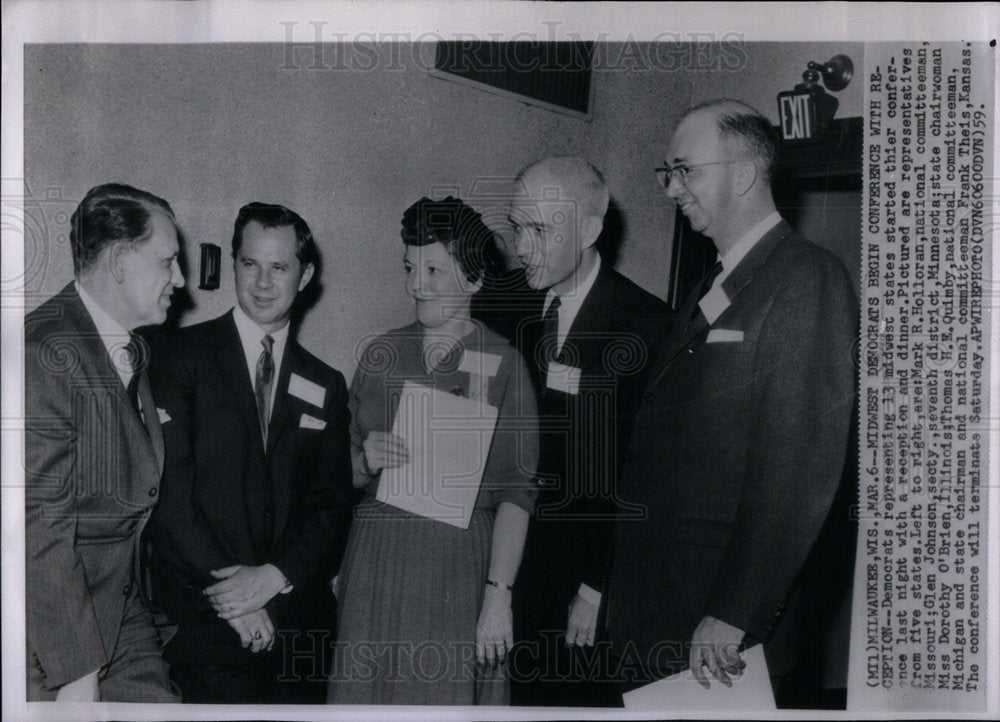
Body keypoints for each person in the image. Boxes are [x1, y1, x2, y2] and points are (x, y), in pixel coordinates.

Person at [607, 99, 858, 704]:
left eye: (685, 169)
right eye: (667, 172)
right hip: (665, 605)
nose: (672, 189)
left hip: (717, 626)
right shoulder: (715, 283)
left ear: (743, 174)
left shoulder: (806, 278)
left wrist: (734, 611)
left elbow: (797, 468)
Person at [327, 196, 539, 705]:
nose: (416, 283)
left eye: (434, 270)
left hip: (457, 566)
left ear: (473, 278)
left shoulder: (505, 364)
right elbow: (337, 472)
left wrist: (498, 596)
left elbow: (517, 490)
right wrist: (363, 461)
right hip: (375, 560)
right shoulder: (381, 354)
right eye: (409, 267)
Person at [145, 203, 353, 703]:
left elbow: (332, 502)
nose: (262, 282)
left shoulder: (326, 384)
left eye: (278, 267)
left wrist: (276, 575)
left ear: (305, 276)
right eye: (249, 264)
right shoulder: (179, 356)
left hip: (298, 631)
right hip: (206, 630)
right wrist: (236, 602)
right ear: (234, 263)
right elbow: (171, 493)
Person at [507, 157, 670, 707]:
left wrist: (600, 586)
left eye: (539, 230)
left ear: (588, 230)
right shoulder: (505, 305)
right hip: (507, 568)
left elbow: (646, 475)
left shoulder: (646, 326)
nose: (522, 248)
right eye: (516, 227)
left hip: (585, 586)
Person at [24, 183, 185, 701]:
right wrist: (77, 675)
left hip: (119, 614)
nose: (179, 280)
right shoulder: (45, 352)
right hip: (45, 637)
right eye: (167, 262)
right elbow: (38, 527)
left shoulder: (126, 347)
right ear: (118, 261)